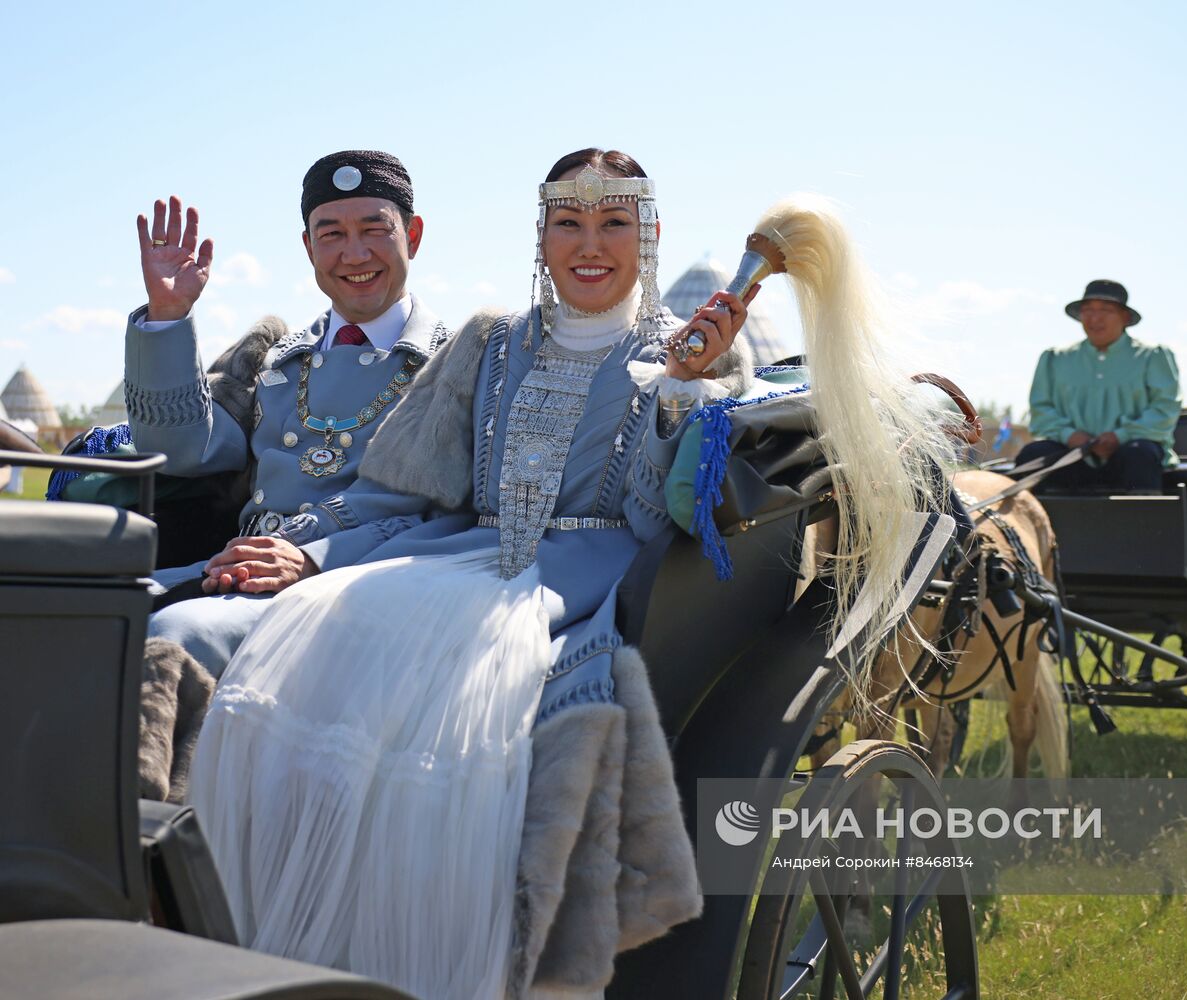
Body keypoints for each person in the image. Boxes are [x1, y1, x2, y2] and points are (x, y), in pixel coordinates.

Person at [188, 148, 756, 1000]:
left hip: (586, 578)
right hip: (461, 557)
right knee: (328, 640)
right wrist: (310, 549)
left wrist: (682, 390)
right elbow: (396, 490)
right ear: (542, 234)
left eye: (612, 222)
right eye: (568, 222)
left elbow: (656, 521)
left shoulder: (701, 364)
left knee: (468, 700)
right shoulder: (490, 343)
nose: (588, 243)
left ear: (649, 234)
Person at [126, 151, 450, 680]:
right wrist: (168, 316)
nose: (354, 252)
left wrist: (315, 557)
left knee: (177, 638)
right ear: (308, 247)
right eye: (331, 234)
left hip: (351, 588)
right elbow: (181, 451)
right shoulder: (273, 360)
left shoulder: (457, 366)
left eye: (374, 229)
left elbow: (457, 519)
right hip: (233, 576)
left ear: (412, 236)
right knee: (63, 606)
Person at [1015, 279, 1181, 491]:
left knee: (1140, 453)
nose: (1095, 318)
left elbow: (1165, 409)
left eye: (1106, 310)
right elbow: (1041, 410)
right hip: (1072, 455)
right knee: (1033, 454)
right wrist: (1070, 435)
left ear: (1125, 317)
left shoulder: (1152, 356)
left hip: (1131, 455)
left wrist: (1119, 436)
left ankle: (1146, 521)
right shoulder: (1055, 358)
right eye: (1088, 310)